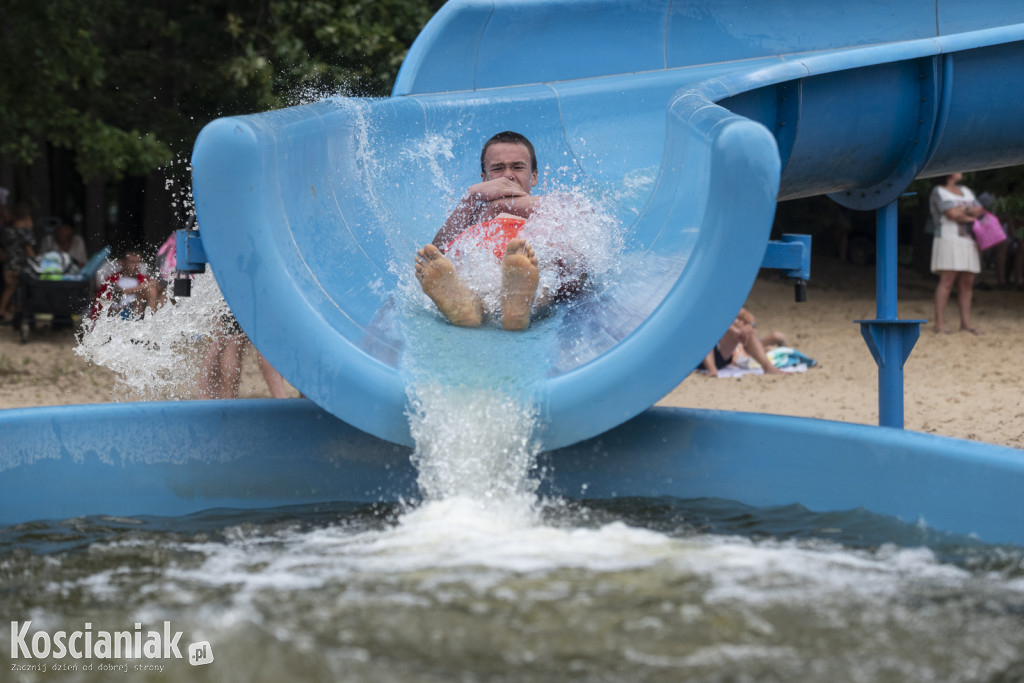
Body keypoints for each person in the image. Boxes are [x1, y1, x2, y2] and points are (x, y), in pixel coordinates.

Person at [414, 131, 586, 331]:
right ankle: (469, 307)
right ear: (484, 178)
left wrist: (501, 206)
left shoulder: (546, 205)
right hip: (484, 263)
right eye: (497, 168)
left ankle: (516, 304)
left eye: (518, 167)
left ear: (534, 177)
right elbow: (437, 253)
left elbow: (578, 213)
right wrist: (470, 197)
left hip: (527, 262)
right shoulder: (473, 213)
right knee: (468, 270)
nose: (508, 175)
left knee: (548, 270)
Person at [930, 173, 985, 335]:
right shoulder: (938, 191)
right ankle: (939, 323)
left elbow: (980, 210)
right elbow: (951, 214)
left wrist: (963, 211)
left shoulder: (965, 190)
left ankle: (966, 324)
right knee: (947, 280)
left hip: (969, 240)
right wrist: (970, 214)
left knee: (967, 282)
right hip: (949, 239)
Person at [699, 307, 785, 377]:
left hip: (722, 352)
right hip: (700, 353)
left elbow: (745, 315)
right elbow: (710, 320)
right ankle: (712, 370)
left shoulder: (725, 306)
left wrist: (748, 326)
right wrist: (735, 330)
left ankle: (768, 367)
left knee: (747, 331)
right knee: (704, 332)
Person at [89, 248, 165, 320]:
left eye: (138, 261)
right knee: (151, 289)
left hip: (138, 312)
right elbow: (104, 309)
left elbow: (158, 285)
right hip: (120, 316)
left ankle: (153, 322)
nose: (136, 265)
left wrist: (129, 291)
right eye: (132, 262)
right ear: (123, 263)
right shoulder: (113, 281)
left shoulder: (143, 279)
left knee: (159, 291)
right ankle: (150, 322)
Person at [0, 202, 37, 322]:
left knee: (9, 288)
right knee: (18, 289)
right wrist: (36, 261)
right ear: (27, 218)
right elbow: (29, 250)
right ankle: (8, 312)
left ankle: (7, 311)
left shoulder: (8, 231)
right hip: (20, 266)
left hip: (8, 265)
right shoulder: (25, 233)